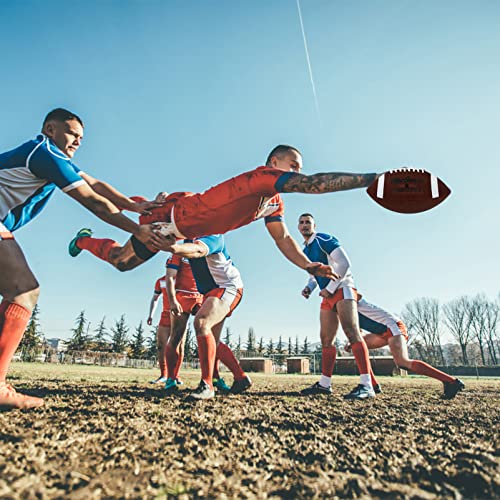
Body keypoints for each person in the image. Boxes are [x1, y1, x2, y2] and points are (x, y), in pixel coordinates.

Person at [0, 108, 159, 410]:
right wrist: (139, 231)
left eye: (81, 139)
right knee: (23, 289)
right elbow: (94, 202)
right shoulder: (44, 152)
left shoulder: (53, 158)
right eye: (72, 134)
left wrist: (135, 207)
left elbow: (96, 184)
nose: (77, 142)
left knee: (20, 290)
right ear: (50, 128)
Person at [69, 145, 379, 280]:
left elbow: (283, 239)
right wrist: (369, 180)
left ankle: (87, 237)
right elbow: (313, 185)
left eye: (300, 167)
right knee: (121, 224)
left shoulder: (273, 203)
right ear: (274, 163)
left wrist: (308, 266)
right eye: (293, 164)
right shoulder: (261, 177)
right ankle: (73, 179)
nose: (299, 171)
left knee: (122, 265)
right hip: (170, 216)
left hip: (181, 231)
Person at [161, 234, 252, 400]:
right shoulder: (187, 240)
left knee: (202, 323)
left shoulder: (213, 235)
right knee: (212, 340)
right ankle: (240, 378)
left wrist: (171, 246)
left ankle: (207, 384)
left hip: (227, 287)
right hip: (211, 292)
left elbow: (198, 249)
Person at [297, 213, 377, 400]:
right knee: (326, 339)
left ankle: (367, 386)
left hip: (342, 288)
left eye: (308, 222)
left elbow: (344, 263)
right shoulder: (305, 250)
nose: (304, 225)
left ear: (314, 225)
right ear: (298, 228)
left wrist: (331, 288)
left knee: (351, 331)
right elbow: (314, 275)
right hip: (327, 294)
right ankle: (325, 384)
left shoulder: (324, 239)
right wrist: (309, 287)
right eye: (301, 223)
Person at [341, 297, 465, 399]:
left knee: (402, 362)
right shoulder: (339, 305)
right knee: (359, 346)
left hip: (392, 326)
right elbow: (357, 328)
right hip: (381, 331)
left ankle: (452, 381)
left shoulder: (348, 293)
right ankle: (372, 384)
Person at [146, 254, 203, 384]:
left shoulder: (182, 279)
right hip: (166, 314)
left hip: (181, 311)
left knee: (180, 344)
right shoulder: (161, 281)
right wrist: (150, 315)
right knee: (161, 345)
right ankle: (164, 375)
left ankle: (175, 375)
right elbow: (154, 298)